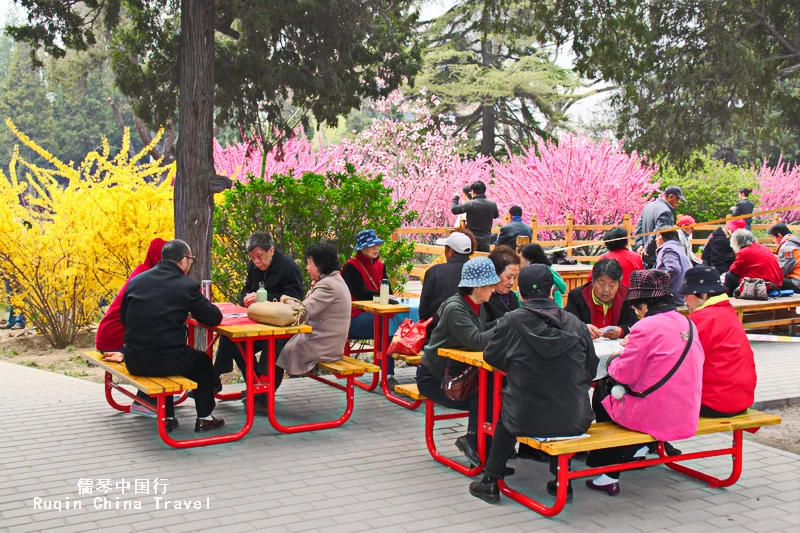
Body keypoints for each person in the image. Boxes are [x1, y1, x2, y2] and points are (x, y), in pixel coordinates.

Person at [469, 265, 599, 504]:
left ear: (521, 291)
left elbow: (491, 357)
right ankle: (562, 480)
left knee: (510, 409)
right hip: (575, 419)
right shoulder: (576, 324)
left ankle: (489, 482)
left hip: (525, 418)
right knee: (561, 401)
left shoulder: (511, 321)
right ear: (552, 290)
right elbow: (590, 368)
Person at [584, 270, 704, 496]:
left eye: (636, 306)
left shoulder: (645, 327)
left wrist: (613, 359)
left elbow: (624, 374)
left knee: (604, 391)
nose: (635, 311)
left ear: (645, 305)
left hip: (655, 413)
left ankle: (608, 470)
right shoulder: (687, 323)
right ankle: (637, 449)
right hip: (686, 409)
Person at [115, 239, 225, 433]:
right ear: (183, 260)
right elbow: (213, 317)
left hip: (134, 359)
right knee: (202, 362)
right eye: (191, 260)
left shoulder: (136, 281)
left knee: (169, 353)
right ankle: (205, 417)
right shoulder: (186, 285)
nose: (190, 264)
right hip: (165, 360)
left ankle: (168, 416)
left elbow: (125, 319)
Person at [416, 257, 499, 465]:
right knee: (486, 396)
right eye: (490, 285)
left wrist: (500, 322)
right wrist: (504, 325)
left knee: (496, 391)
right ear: (476, 287)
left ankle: (485, 449)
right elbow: (476, 341)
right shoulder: (456, 308)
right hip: (435, 378)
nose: (493, 290)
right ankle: (476, 443)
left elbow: (481, 330)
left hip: (457, 374)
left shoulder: (476, 305)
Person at [213, 232, 303, 404]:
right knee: (230, 339)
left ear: (271, 251)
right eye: (253, 258)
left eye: (259, 257)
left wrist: (265, 298)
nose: (256, 262)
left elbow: (295, 299)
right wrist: (246, 298)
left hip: (281, 327)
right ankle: (223, 380)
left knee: (273, 348)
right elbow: (246, 290)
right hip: (257, 322)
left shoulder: (288, 267)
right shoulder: (253, 266)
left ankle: (262, 396)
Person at [96, 238, 167, 416]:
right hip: (115, 339)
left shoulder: (142, 271)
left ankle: (158, 396)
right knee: (160, 352)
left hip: (108, 334)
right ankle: (145, 401)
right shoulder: (150, 278)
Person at [680, 266, 756, 417]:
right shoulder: (727, 311)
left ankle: (657, 441)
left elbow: (679, 360)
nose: (684, 300)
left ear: (702, 294)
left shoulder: (701, 319)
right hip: (742, 399)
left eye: (686, 295)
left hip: (715, 402)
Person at [276, 242, 352, 376]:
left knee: (275, 346)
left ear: (321, 264)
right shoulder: (333, 280)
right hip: (324, 340)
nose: (307, 267)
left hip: (323, 344)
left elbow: (302, 312)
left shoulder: (328, 285)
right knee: (277, 344)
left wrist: (286, 300)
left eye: (309, 263)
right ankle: (263, 390)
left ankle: (264, 391)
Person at [341, 229, 397, 387]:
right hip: (353, 317)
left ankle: (390, 372)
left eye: (377, 245)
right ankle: (388, 374)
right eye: (372, 245)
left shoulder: (381, 265)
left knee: (396, 320)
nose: (376, 248)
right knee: (386, 323)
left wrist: (384, 296)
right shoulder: (350, 267)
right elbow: (360, 293)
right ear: (362, 248)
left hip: (374, 315)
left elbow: (389, 291)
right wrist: (383, 296)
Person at [419, 231, 475, 338]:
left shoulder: (435, 271)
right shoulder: (477, 272)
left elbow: (423, 311)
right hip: (470, 333)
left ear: (451, 251)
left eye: (446, 248)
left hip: (437, 334)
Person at [565, 259, 638, 340]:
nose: (606, 290)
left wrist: (621, 331)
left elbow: (634, 324)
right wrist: (582, 328)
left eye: (612, 285)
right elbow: (567, 322)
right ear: (593, 280)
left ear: (619, 283)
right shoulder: (578, 295)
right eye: (601, 283)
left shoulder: (626, 296)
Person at [635, 186, 686, 267]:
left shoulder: (648, 206)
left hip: (644, 254)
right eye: (677, 199)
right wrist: (646, 250)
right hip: (656, 256)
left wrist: (639, 245)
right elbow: (658, 232)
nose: (678, 203)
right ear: (671, 196)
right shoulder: (666, 211)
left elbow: (639, 228)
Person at [725, 229, 784, 295]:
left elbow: (734, 270)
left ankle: (729, 300)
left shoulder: (745, 252)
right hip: (776, 285)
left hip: (762, 287)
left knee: (729, 275)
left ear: (737, 241)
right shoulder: (764, 247)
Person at [451, 180, 499, 252]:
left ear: (473, 192)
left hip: (471, 239)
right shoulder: (492, 204)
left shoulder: (470, 204)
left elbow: (454, 210)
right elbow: (496, 215)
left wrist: (456, 198)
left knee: (470, 261)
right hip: (485, 241)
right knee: (483, 260)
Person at [519, 243, 567, 308]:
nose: (518, 263)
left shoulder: (549, 284)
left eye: (520, 259)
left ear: (530, 261)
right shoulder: (550, 276)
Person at [483, 246, 521, 322]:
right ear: (495, 274)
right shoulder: (484, 300)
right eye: (508, 277)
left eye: (515, 277)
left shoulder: (512, 296)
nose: (512, 282)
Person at [654, 230, 691, 306]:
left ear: (665, 237)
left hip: (673, 297)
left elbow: (674, 269)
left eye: (658, 236)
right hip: (681, 294)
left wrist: (660, 286)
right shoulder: (677, 247)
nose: (656, 239)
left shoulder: (668, 249)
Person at [768, 223, 800, 292]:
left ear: (779, 236)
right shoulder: (796, 241)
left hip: (797, 281)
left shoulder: (786, 247)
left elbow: (782, 271)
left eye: (773, 237)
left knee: (770, 280)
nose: (773, 240)